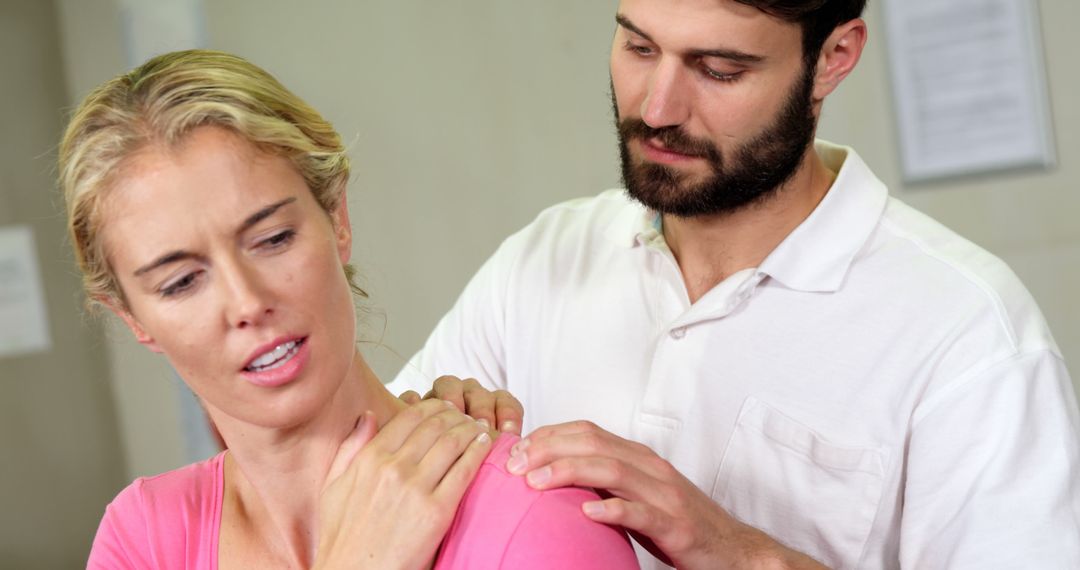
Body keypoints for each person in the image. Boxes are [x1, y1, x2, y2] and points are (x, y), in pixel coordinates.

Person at [390, 1, 1080, 568]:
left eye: (719, 70)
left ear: (833, 58)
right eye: (637, 47)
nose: (658, 108)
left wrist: (738, 551)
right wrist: (427, 437)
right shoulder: (540, 259)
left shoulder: (967, 328)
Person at [60, 49, 639, 569]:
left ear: (337, 217)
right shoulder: (141, 537)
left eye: (273, 239)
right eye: (183, 281)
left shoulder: (535, 519)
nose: (248, 303)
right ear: (132, 318)